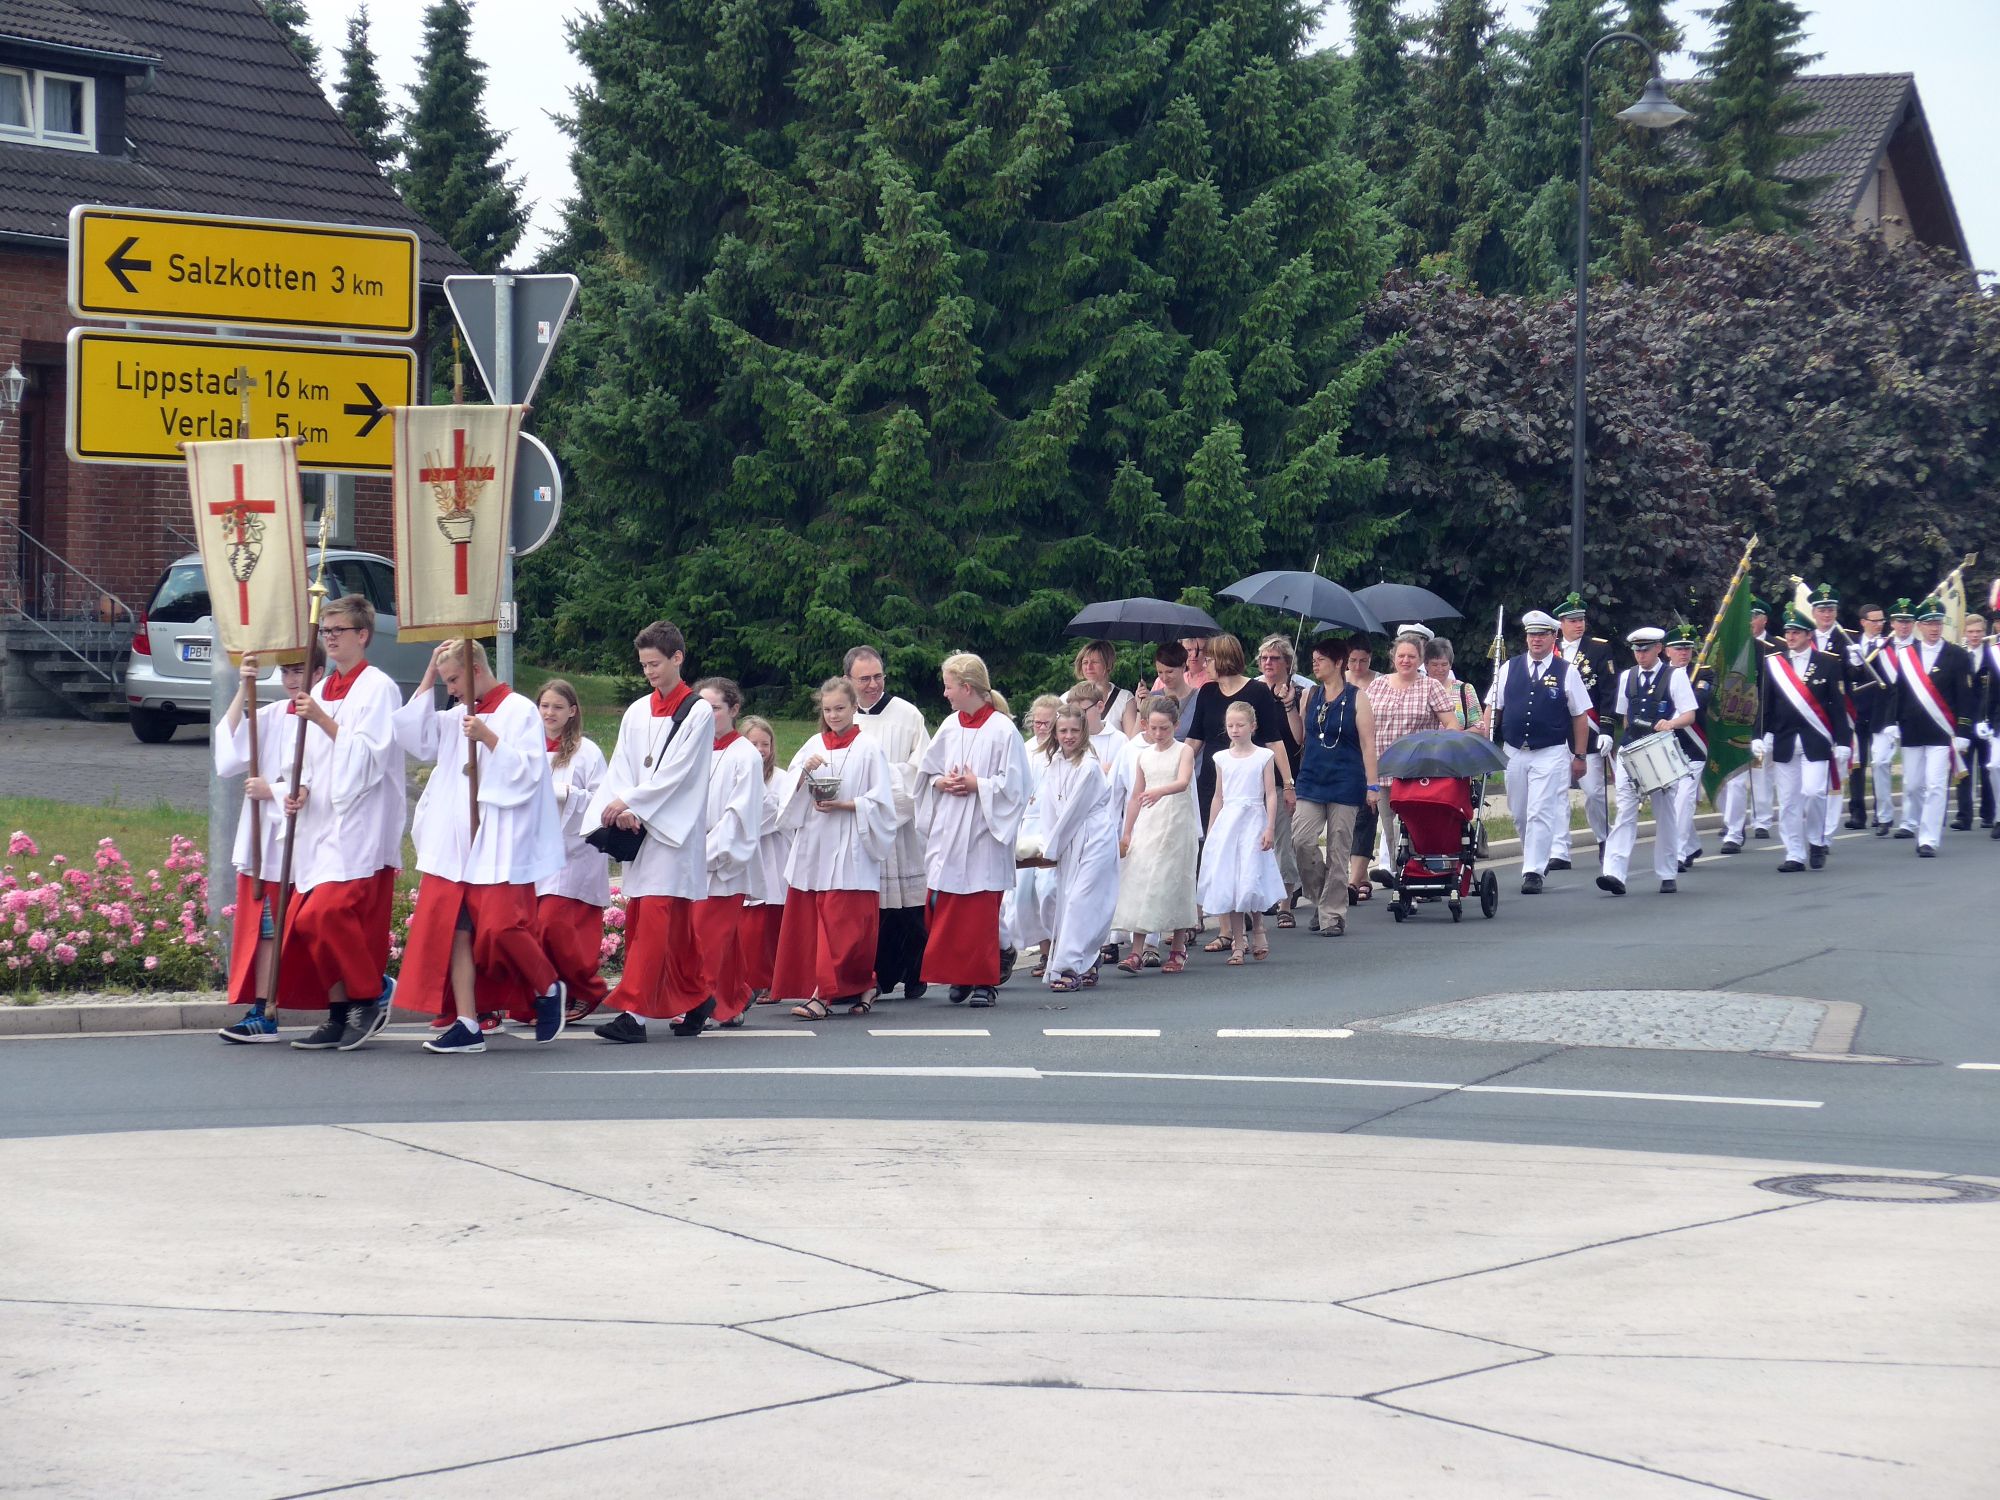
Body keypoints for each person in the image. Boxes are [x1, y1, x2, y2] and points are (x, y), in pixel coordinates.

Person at [393, 639, 567, 1053]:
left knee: (500, 926)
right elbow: (414, 737)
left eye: (454, 679)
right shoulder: (457, 715)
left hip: (498, 838)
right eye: (447, 681)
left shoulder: (519, 710)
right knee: (457, 932)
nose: (452, 690)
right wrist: (430, 673)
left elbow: (529, 772)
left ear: (475, 670)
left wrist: (488, 737)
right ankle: (468, 1023)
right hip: (455, 846)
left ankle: (548, 986)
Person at [276, 593, 406, 1050]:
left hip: (361, 820)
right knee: (306, 922)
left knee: (328, 912)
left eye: (338, 631)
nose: (329, 638)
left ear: (363, 635)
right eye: (326, 631)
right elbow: (309, 757)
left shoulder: (379, 688)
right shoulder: (320, 690)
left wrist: (324, 721)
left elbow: (370, 759)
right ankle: (337, 1012)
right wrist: (301, 788)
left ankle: (370, 994)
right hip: (320, 821)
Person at [584, 620, 714, 1044]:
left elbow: (680, 774)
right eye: (643, 665)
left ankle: (634, 1014)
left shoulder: (697, 711)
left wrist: (632, 803)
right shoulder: (638, 710)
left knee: (654, 921)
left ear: (678, 658)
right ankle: (698, 998)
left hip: (673, 833)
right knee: (662, 924)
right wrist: (622, 807)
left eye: (655, 664)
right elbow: (622, 763)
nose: (649, 672)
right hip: (641, 828)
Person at [775, 676, 897, 1018]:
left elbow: (883, 802)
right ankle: (863, 984)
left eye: (840, 708)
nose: (833, 715)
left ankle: (823, 996)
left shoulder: (869, 747)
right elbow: (787, 796)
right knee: (821, 925)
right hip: (816, 845)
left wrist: (847, 805)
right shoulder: (813, 744)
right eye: (828, 710)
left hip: (851, 843)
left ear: (854, 707)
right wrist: (803, 771)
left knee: (845, 926)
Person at [918, 653, 1032, 1007]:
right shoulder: (950, 725)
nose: (945, 693)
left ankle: (985, 981)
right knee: (945, 906)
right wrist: (941, 782)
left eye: (949, 686)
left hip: (984, 831)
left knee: (979, 912)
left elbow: (1017, 787)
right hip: (951, 829)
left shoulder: (1003, 730)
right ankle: (961, 974)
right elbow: (927, 772)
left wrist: (977, 784)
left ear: (967, 688)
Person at [216, 653, 319, 1042]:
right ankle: (264, 1011)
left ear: (318, 673)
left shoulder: (325, 717)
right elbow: (228, 756)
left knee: (311, 928)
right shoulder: (273, 714)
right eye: (286, 671)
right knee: (267, 927)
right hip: (267, 843)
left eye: (299, 671)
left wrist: (272, 791)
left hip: (307, 838)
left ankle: (370, 989)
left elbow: (322, 780)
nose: (291, 679)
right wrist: (243, 689)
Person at [1480, 610, 1594, 894]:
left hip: (1550, 751)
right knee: (1519, 812)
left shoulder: (1566, 671)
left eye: (1542, 634)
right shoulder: (1509, 668)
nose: (1536, 639)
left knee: (1539, 811)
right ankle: (1534, 854)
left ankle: (1533, 870)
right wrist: (1484, 741)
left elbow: (1579, 715)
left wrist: (1580, 755)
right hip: (1514, 750)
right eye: (1532, 634)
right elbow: (1493, 707)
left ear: (1553, 636)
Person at [847, 646, 933, 1000]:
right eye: (864, 679)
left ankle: (916, 973)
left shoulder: (907, 715)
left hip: (901, 830)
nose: (872, 685)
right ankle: (878, 975)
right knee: (875, 909)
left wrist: (881, 789)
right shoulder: (843, 716)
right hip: (861, 828)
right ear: (848, 680)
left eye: (878, 676)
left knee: (909, 908)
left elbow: (922, 771)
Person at [1595, 628, 1699, 896]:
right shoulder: (1627, 676)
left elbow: (1689, 714)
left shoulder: (1675, 676)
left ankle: (1667, 872)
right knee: (1625, 811)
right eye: (1637, 650)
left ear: (1659, 649)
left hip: (1661, 750)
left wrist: (1671, 723)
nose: (1640, 655)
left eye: (1646, 649)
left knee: (1665, 813)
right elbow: (1625, 716)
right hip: (1631, 750)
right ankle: (1614, 873)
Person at [535, 679, 615, 1026]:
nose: (549, 713)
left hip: (575, 851)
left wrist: (566, 793)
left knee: (554, 925)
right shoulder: (528, 747)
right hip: (536, 849)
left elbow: (602, 799)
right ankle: (548, 995)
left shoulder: (587, 752)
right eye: (544, 706)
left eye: (557, 707)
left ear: (572, 711)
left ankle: (587, 988)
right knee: (532, 930)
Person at [1289, 637, 1377, 938]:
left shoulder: (1357, 698)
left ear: (1338, 663)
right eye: (1314, 659)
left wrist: (1372, 784)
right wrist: (1288, 707)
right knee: (1301, 841)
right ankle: (1322, 898)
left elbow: (1368, 744)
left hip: (1346, 780)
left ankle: (1333, 915)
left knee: (1339, 849)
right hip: (1311, 778)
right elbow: (1299, 737)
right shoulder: (1310, 694)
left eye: (1321, 660)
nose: (1315, 664)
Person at [692, 677, 765, 1030]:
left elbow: (739, 815)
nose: (707, 716)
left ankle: (700, 1004)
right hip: (691, 851)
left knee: (707, 935)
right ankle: (733, 998)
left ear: (734, 710)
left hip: (723, 858)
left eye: (715, 709)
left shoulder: (745, 755)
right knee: (724, 938)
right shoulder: (693, 748)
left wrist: (706, 852)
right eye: (700, 709)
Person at [1758, 607, 1852, 872]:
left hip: (1816, 740)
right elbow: (1766, 704)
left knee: (1814, 793)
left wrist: (1843, 741)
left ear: (1809, 635)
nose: (1790, 637)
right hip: (1784, 741)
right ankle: (1795, 853)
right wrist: (1760, 735)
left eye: (1796, 632)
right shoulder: (1774, 663)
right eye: (1788, 632)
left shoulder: (1828, 663)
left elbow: (1837, 707)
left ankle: (1817, 841)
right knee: (1788, 801)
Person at [1111, 697, 1199, 972]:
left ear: (1176, 725)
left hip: (1176, 822)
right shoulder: (1144, 755)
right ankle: (1137, 950)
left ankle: (1177, 947)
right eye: (1154, 728)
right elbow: (1136, 796)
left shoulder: (1184, 750)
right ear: (1145, 725)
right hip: (1149, 823)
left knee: (1175, 880)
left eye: (1165, 728)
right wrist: (1127, 832)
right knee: (1142, 879)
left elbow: (1183, 781)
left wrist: (1160, 791)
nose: (1159, 734)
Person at [1883, 596, 1973, 857]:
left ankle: (1928, 839)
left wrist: (1963, 730)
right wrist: (1891, 721)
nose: (1934, 628)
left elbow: (1965, 696)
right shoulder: (1906, 654)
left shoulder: (1957, 655)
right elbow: (1898, 691)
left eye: (1938, 623)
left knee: (1935, 785)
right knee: (1912, 785)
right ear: (1919, 626)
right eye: (1929, 623)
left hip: (1942, 732)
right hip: (1912, 730)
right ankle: (1918, 823)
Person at [1196, 702, 1285, 964]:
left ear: (1252, 726)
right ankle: (1238, 941)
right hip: (1229, 822)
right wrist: (1212, 829)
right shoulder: (1221, 758)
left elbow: (1270, 794)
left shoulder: (1263, 756)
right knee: (1231, 881)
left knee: (1250, 876)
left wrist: (1269, 826)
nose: (1235, 730)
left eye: (1240, 725)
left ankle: (1258, 929)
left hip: (1253, 820)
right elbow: (1219, 796)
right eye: (1230, 725)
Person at [1037, 706, 1118, 991]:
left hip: (1093, 836)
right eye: (1063, 730)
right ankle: (1088, 958)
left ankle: (1068, 966)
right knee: (1067, 898)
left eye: (1074, 730)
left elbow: (1074, 811)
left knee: (1082, 901)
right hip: (1069, 837)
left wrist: (1051, 847)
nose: (1068, 736)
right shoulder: (1055, 763)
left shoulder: (1089, 766)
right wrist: (1046, 842)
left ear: (1083, 731)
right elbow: (1049, 808)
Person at [1364, 635, 1457, 882]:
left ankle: (1422, 874)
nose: (1406, 660)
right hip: (1382, 768)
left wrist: (1438, 747)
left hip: (1418, 770)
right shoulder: (1378, 685)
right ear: (1393, 657)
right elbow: (1363, 725)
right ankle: (1400, 876)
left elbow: (1451, 724)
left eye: (1411, 656)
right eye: (1401, 656)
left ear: (1420, 660)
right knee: (1390, 828)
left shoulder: (1431, 686)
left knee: (1416, 825)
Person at [1551, 592, 1616, 871]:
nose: (1579, 625)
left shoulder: (1599, 650)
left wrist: (1607, 728)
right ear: (1561, 623)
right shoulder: (1549, 649)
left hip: (1588, 731)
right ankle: (1559, 850)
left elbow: (1609, 692)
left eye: (1581, 620)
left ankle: (1604, 839)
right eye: (1573, 620)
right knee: (1556, 793)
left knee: (1594, 793)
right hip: (1555, 732)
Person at [737, 715, 795, 1006]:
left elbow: (775, 816)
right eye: (753, 744)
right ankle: (748, 981)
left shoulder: (782, 779)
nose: (760, 750)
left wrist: (744, 818)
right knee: (748, 927)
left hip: (773, 854)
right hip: (744, 855)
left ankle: (774, 981)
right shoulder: (735, 774)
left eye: (765, 744)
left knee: (771, 923)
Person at [1254, 635, 1307, 922]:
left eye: (1274, 658)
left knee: (1283, 840)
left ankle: (1285, 902)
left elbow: (1299, 738)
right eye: (1264, 658)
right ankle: (1262, 895)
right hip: (1255, 776)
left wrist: (1289, 705)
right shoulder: (1254, 690)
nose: (1268, 663)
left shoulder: (1300, 692)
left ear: (1287, 662)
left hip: (1285, 776)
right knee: (1259, 840)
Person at [1007, 694, 1061, 970]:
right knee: (1025, 893)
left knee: (1049, 888)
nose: (1040, 728)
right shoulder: (1025, 749)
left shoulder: (1063, 753)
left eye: (1046, 723)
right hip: (1026, 825)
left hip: (1052, 825)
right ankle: (1044, 950)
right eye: (1036, 723)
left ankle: (1060, 947)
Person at [1867, 600, 1920, 836]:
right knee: (1879, 762)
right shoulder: (1880, 648)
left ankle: (1909, 820)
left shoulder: (1922, 648)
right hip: (1883, 715)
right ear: (1892, 623)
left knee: (1912, 773)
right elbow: (1859, 675)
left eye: (1908, 622)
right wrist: (1858, 660)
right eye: (1900, 621)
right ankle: (1884, 815)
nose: (1904, 626)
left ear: (1914, 624)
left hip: (1912, 715)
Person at [1663, 626, 1708, 871]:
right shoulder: (1661, 675)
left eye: (1688, 648)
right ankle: (1691, 845)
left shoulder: (1703, 673)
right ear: (1667, 651)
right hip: (1667, 747)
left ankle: (1678, 853)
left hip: (1693, 746)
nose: (1684, 653)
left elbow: (1699, 703)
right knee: (1672, 801)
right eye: (1679, 648)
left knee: (1683, 800)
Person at [1846, 602, 1890, 829]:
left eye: (1882, 620)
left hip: (1881, 711)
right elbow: (1847, 676)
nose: (1879, 625)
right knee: (1857, 763)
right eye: (1875, 621)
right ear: (1863, 622)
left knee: (1880, 762)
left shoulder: (1888, 645)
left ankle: (1881, 813)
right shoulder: (1851, 644)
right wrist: (1854, 663)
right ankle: (1857, 813)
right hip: (1857, 710)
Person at [1344, 641, 1380, 903]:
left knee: (1366, 815)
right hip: (1345, 753)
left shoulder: (1379, 682)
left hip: (1370, 751)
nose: (1358, 666)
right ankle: (1362, 875)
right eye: (1353, 660)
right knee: (1347, 818)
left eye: (1363, 661)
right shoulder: (1338, 680)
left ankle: (1354, 882)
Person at [1953, 614, 1993, 830]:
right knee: (1963, 769)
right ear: (1964, 633)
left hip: (1986, 720)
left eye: (1978, 631)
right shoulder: (1958, 656)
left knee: (1988, 768)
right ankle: (1964, 816)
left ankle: (1988, 813)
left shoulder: (1992, 654)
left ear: (1984, 632)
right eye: (1971, 632)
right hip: (1965, 720)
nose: (1975, 635)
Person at [1072, 639, 1137, 739]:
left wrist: (1141, 710)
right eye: (1085, 662)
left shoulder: (1124, 699)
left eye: (1094, 662)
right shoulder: (1070, 697)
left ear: (1108, 665)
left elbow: (1132, 741)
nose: (1089, 667)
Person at [1424, 638, 1482, 729]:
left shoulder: (1465, 689)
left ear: (1450, 665)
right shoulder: (1417, 690)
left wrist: (1455, 735)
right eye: (1435, 665)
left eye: (1444, 664)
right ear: (1426, 665)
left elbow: (1480, 727)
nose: (1440, 669)